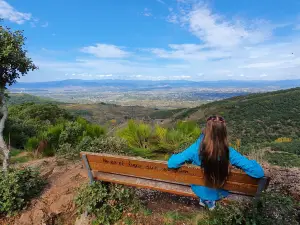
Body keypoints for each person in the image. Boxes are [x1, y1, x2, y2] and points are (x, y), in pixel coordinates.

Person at [167, 115, 264, 210]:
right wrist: (253, 162)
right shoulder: (229, 153)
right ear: (223, 133)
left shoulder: (196, 148)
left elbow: (171, 163)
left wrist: (175, 155)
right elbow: (258, 173)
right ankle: (210, 202)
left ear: (206, 130)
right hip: (219, 192)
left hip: (199, 189)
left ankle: (205, 199)